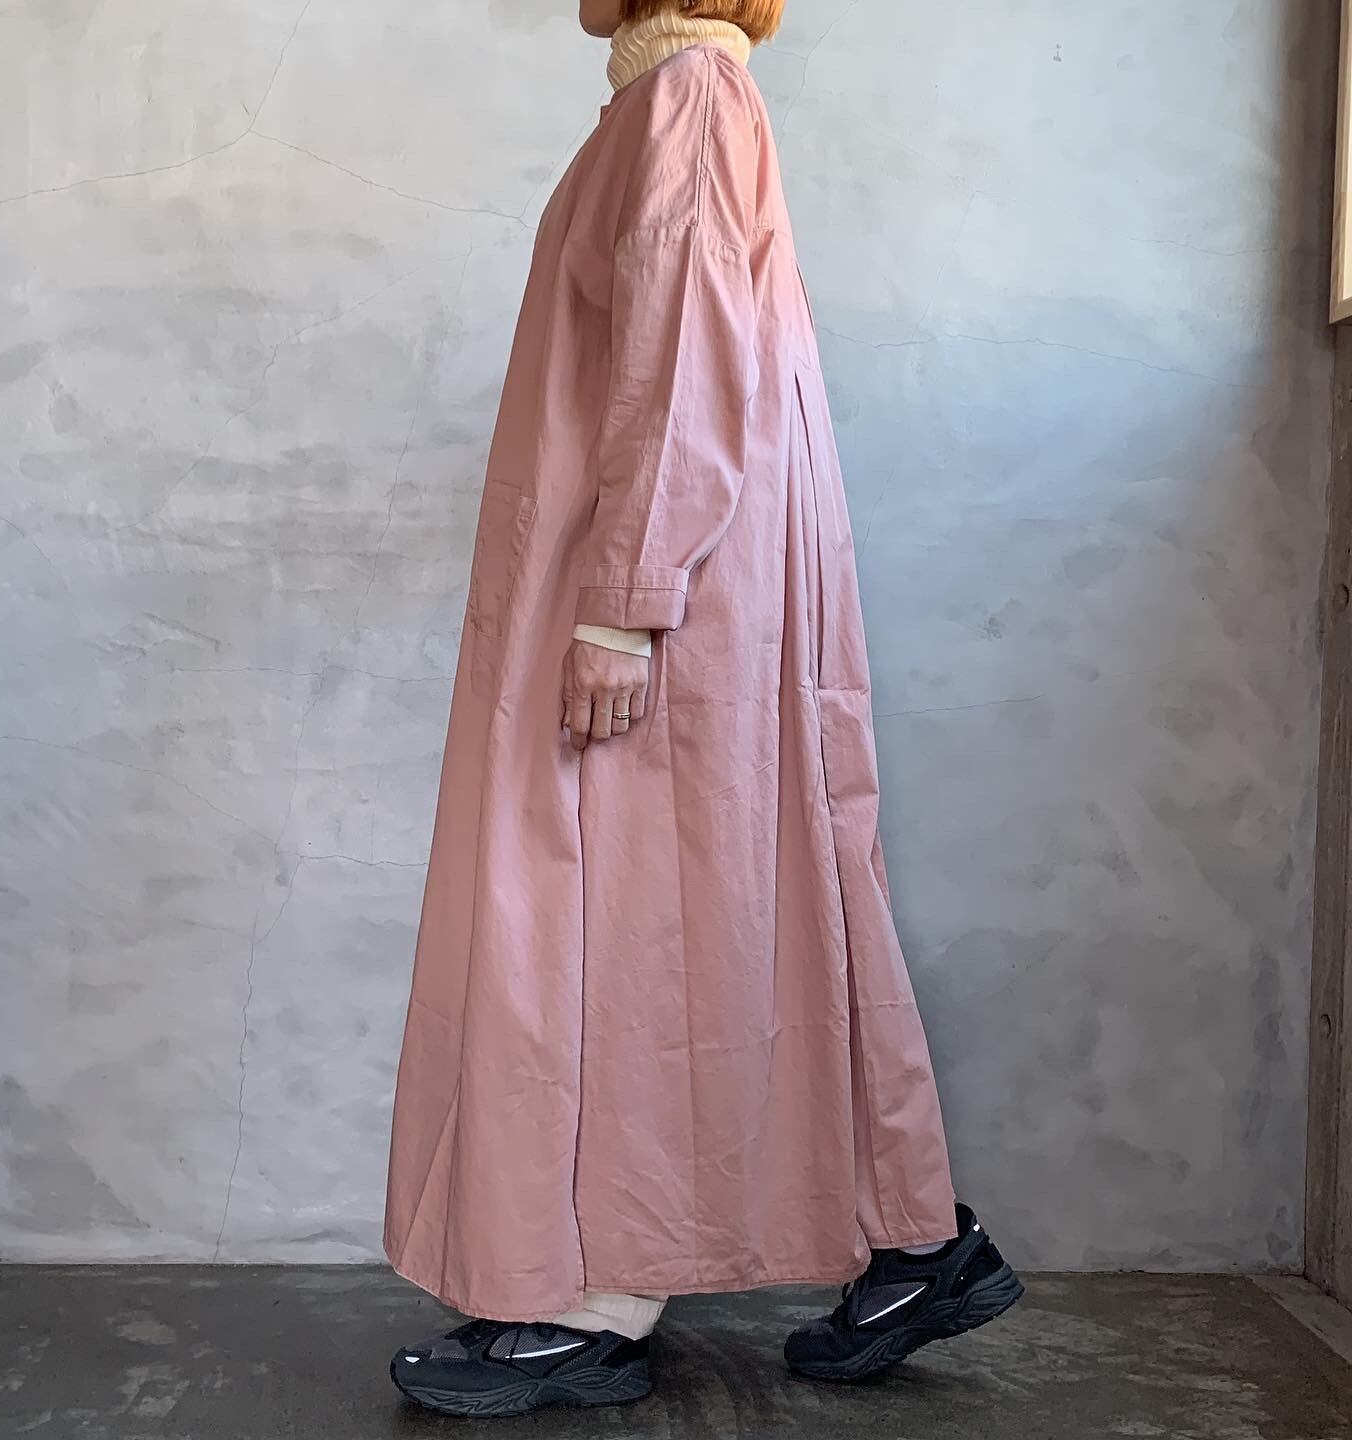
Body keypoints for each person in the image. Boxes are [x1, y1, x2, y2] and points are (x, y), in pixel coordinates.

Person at [383, 0, 1021, 1417]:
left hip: (672, 599)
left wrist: (626, 600)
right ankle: (912, 1239)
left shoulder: (686, 95)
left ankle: (593, 1305)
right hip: (699, 584)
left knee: (625, 928)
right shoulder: (675, 98)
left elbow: (688, 366)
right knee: (754, 904)